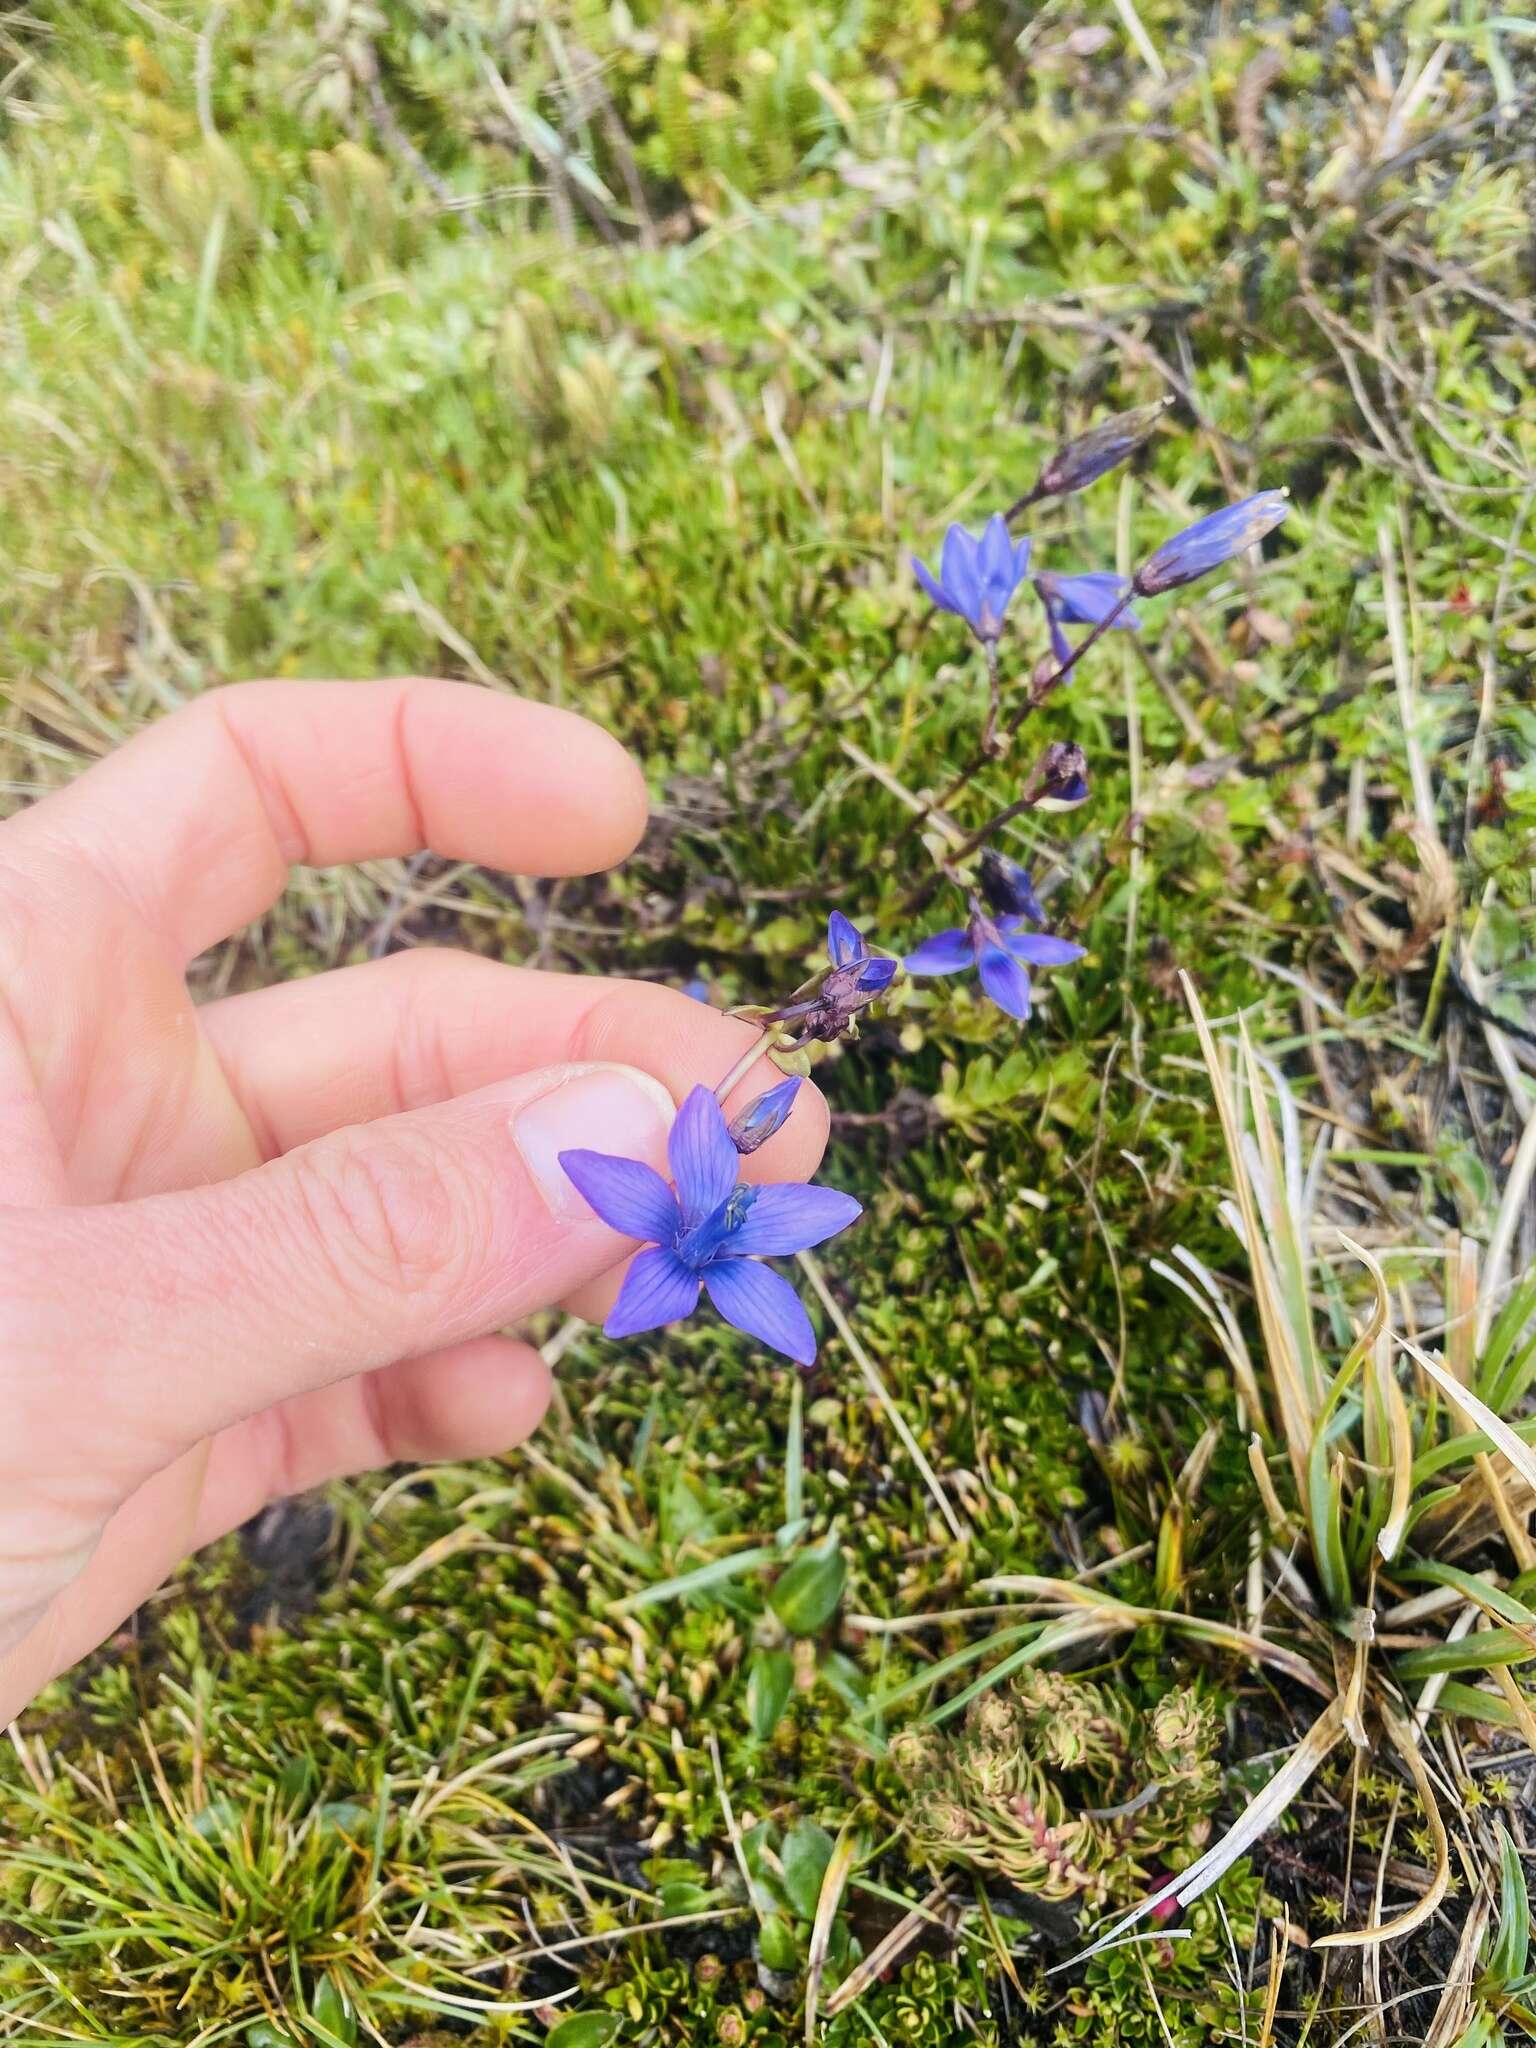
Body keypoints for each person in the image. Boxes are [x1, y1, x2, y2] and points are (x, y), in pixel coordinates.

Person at [0, 677, 828, 1727]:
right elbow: (636, 1182)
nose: (718, 1227)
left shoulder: (713, 1227)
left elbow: (745, 1225)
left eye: (724, 1237)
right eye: (718, 1223)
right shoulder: (663, 1199)